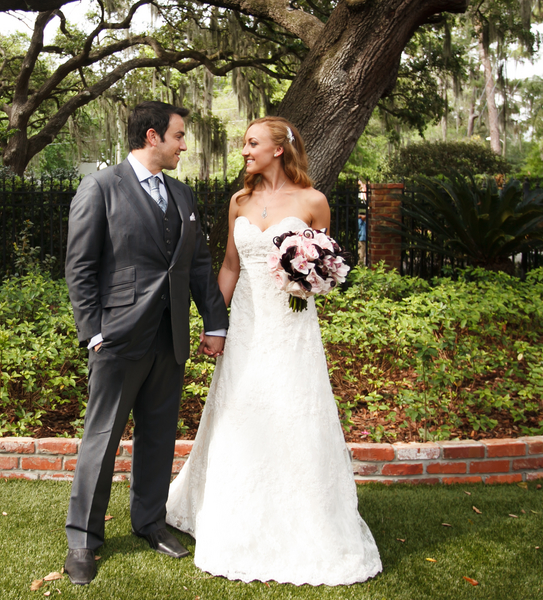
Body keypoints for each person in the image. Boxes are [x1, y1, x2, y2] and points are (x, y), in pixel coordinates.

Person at [165, 116, 382, 585]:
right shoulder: (238, 201)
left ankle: (307, 519)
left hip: (290, 327)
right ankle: (231, 511)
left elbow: (328, 265)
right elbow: (229, 265)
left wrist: (311, 280)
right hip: (243, 324)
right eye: (245, 144)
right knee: (239, 411)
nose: (245, 150)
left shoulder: (312, 202)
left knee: (292, 412)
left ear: (279, 149)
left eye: (252, 143)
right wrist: (215, 323)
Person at [64, 101, 229, 585]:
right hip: (116, 338)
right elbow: (80, 266)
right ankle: (83, 540)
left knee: (158, 438)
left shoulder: (183, 195)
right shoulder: (100, 187)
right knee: (102, 439)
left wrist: (214, 324)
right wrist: (92, 332)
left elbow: (198, 266)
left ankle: (149, 521)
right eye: (179, 136)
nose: (184, 145)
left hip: (169, 337)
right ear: (153, 137)